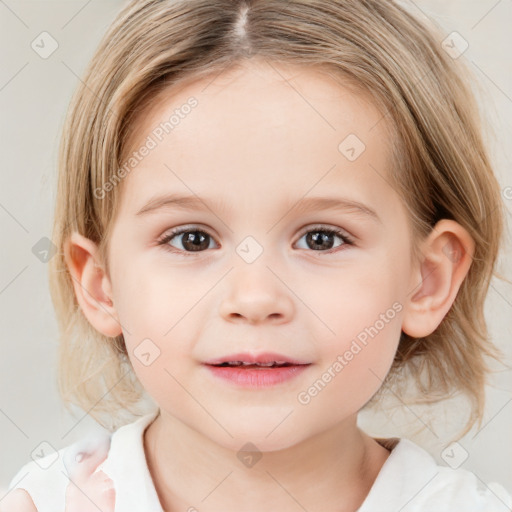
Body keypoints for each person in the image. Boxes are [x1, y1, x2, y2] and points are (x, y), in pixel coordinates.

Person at [3, 0, 511, 510]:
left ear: (426, 280)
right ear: (100, 284)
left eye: (321, 238)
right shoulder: (49, 501)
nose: (254, 298)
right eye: (191, 239)